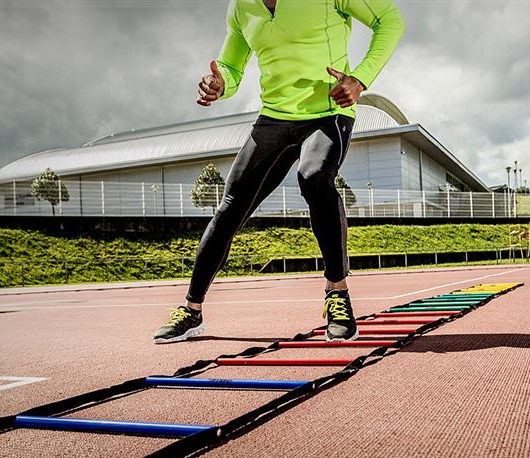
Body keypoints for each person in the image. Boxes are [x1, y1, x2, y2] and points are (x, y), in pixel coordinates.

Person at [154, 0, 404, 344]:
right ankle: (191, 310)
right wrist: (219, 82)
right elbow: (231, 65)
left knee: (314, 176)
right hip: (274, 118)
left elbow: (389, 20)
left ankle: (337, 293)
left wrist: (360, 79)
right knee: (231, 206)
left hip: (327, 112)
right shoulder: (242, 7)